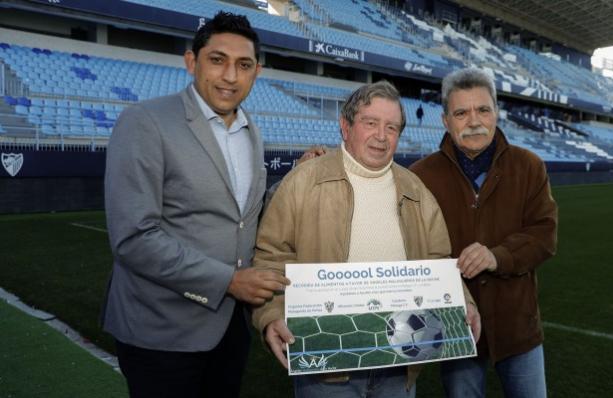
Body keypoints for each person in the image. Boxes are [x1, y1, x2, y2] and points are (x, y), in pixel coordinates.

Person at [101, 11, 290, 398]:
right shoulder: (145, 122)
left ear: (258, 72)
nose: (230, 76)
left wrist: (295, 179)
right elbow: (134, 237)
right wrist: (229, 281)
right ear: (192, 61)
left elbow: (241, 216)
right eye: (217, 60)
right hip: (161, 332)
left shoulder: (250, 130)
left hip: (227, 331)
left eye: (244, 65)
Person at [251, 81, 481, 398]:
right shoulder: (303, 181)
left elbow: (438, 260)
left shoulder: (415, 190)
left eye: (392, 127)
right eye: (370, 123)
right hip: (326, 366)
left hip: (398, 363)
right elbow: (271, 257)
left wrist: (463, 301)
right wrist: (272, 314)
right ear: (345, 127)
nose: (382, 136)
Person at [409, 67, 558, 398]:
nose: (473, 120)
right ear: (446, 120)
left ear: (496, 114)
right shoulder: (420, 176)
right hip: (457, 327)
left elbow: (544, 235)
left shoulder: (529, 166)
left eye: (483, 110)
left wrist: (497, 255)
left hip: (518, 325)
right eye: (461, 112)